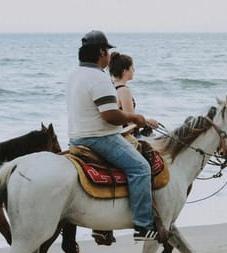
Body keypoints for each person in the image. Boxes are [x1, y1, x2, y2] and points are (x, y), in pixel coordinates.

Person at [66, 30, 160, 241]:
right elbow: (110, 116)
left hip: (75, 137)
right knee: (140, 167)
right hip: (99, 137)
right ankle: (143, 226)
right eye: (107, 51)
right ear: (101, 53)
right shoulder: (98, 78)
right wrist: (135, 118)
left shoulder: (74, 74)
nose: (109, 55)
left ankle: (103, 224)